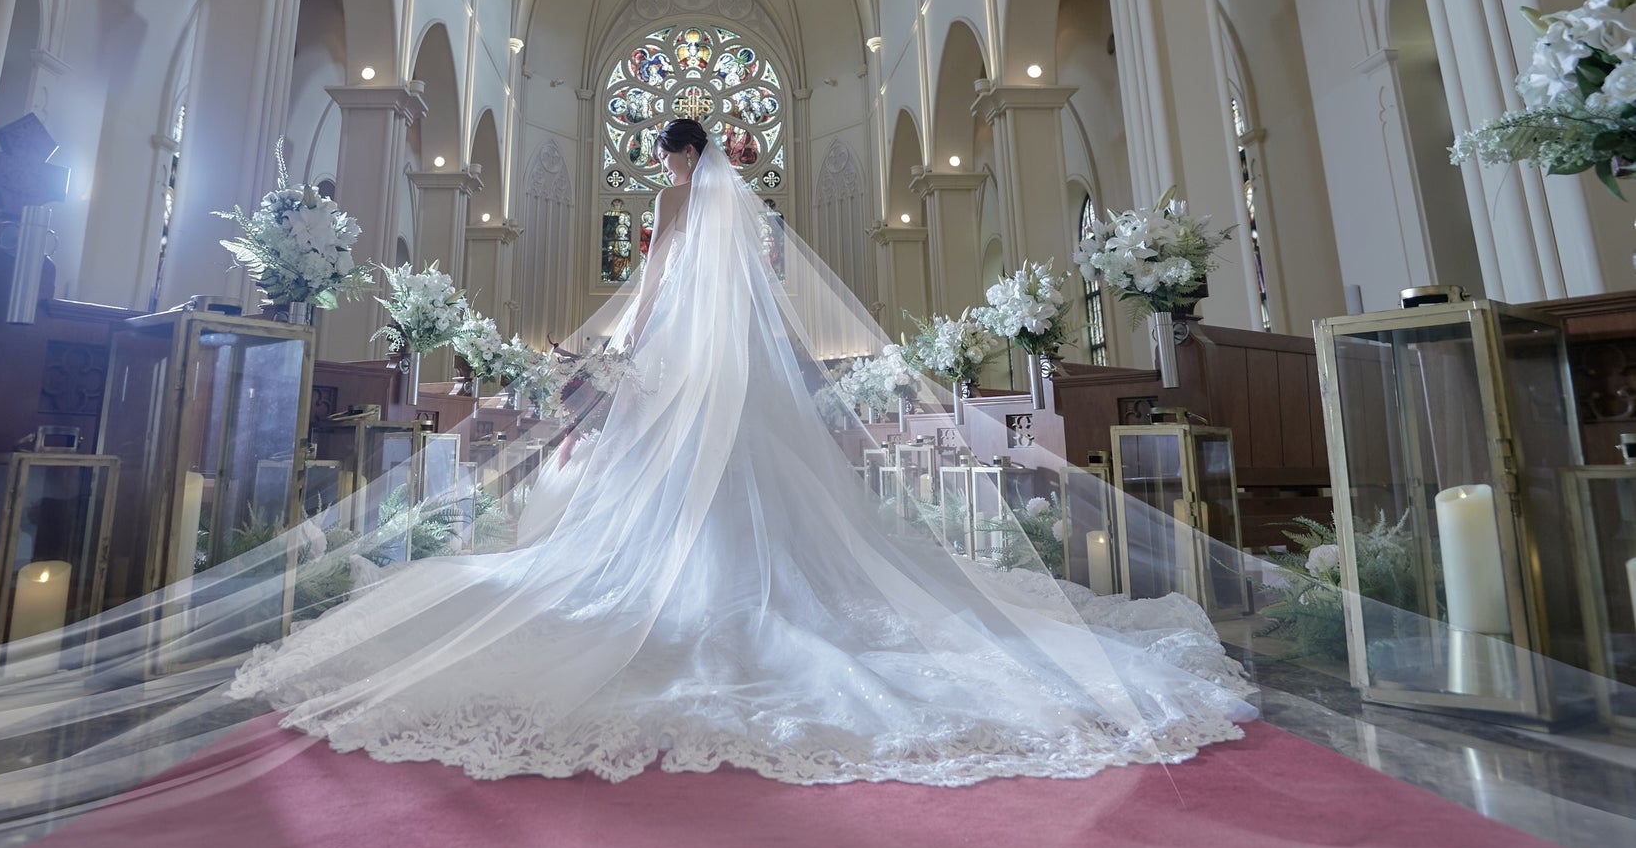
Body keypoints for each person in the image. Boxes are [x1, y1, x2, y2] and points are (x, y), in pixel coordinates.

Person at [223, 118, 1257, 784]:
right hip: (743, 378)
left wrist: (613, 346)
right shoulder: (740, 212)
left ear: (673, 158)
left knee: (657, 485)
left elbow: (658, 284)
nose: (665, 173)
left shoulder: (675, 202)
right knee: (767, 495)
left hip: (681, 364)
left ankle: (682, 595)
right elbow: (750, 300)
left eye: (664, 160)